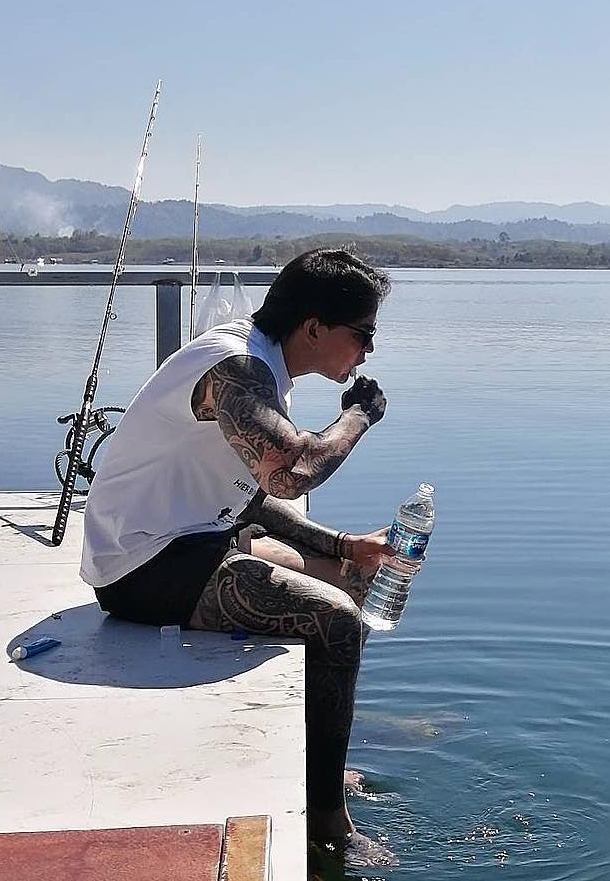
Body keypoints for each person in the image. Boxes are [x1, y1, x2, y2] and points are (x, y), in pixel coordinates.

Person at [79, 248, 405, 851]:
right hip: (142, 564)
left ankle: (318, 757)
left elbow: (247, 496)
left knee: (351, 577)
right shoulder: (236, 368)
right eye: (363, 334)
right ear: (314, 328)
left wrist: (342, 545)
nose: (368, 351)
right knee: (336, 622)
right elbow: (290, 472)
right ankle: (328, 821)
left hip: (199, 541)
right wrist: (359, 416)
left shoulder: (264, 369)